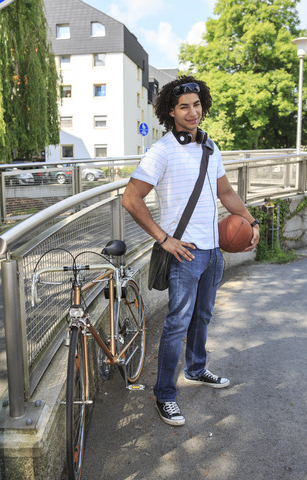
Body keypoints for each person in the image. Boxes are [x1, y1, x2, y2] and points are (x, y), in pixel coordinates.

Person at [121, 75, 260, 426]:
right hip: (184, 254)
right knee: (176, 324)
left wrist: (250, 220)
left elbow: (226, 193)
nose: (192, 112)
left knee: (203, 318)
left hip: (214, 252)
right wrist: (163, 238)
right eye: (184, 106)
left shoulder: (211, 147)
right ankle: (165, 394)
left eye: (197, 105)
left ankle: (196, 369)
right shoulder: (161, 151)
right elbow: (130, 198)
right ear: (171, 111)